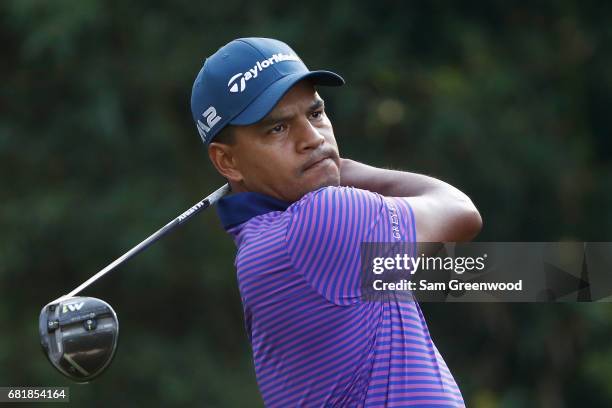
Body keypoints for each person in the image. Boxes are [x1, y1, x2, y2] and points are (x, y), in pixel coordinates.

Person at [190, 37, 481, 407]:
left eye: (315, 114)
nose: (312, 138)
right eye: (277, 129)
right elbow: (459, 210)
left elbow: (488, 273)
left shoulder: (265, 245)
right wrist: (343, 168)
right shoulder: (323, 220)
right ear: (227, 162)